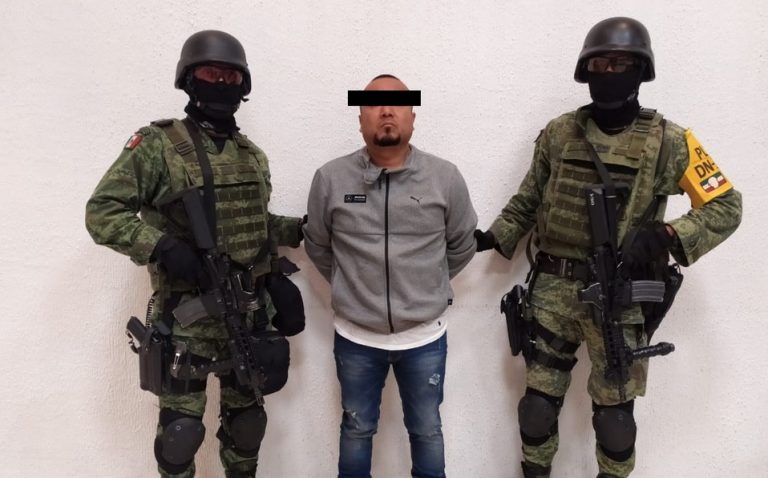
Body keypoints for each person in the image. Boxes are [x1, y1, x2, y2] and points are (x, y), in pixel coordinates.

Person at [475, 17, 742, 478]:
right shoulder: (560, 132)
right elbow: (528, 199)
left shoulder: (669, 141)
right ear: (585, 70)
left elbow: (727, 205)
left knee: (615, 422)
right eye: (600, 63)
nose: (609, 71)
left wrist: (669, 234)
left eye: (621, 64)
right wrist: (494, 236)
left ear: (641, 71)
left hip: (618, 299)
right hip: (552, 292)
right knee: (536, 409)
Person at [85, 30, 304, 478]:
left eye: (231, 77)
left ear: (243, 86)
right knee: (180, 435)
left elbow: (256, 224)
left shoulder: (251, 155)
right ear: (188, 79)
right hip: (187, 325)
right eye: (210, 73)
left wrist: (301, 229)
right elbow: (102, 212)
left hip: (246, 317)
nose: (221, 83)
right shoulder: (159, 145)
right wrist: (162, 246)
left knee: (248, 428)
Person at [303, 74, 477, 478]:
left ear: (412, 116)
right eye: (373, 104)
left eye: (397, 103)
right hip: (356, 338)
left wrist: (427, 286)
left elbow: (462, 244)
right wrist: (352, 288)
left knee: (427, 430)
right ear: (360, 119)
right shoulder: (331, 179)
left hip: (424, 337)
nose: (386, 111)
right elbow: (318, 245)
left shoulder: (445, 177)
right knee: (356, 429)